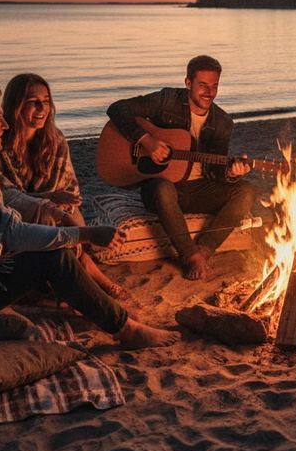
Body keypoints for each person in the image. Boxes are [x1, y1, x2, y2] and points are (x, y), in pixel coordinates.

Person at [0, 82, 177, 348]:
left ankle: (102, 310)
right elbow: (13, 233)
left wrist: (51, 207)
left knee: (55, 248)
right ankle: (125, 329)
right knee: (56, 256)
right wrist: (85, 234)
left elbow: (6, 198)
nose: (5, 124)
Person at [106, 55, 256, 281]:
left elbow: (215, 170)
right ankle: (190, 256)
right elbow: (117, 109)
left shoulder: (223, 122)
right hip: (163, 189)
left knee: (247, 191)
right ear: (188, 83)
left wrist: (231, 173)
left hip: (198, 190)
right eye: (203, 85)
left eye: (214, 86)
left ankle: (204, 250)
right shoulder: (167, 100)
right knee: (162, 189)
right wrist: (147, 141)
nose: (209, 93)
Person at [0, 73, 127, 300]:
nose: (42, 107)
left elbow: (71, 189)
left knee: (65, 216)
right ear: (15, 105)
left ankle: (78, 276)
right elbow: (3, 196)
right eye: (33, 102)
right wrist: (48, 198)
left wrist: (61, 201)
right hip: (17, 218)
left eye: (46, 100)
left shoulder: (55, 140)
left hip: (61, 213)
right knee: (50, 221)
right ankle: (96, 278)